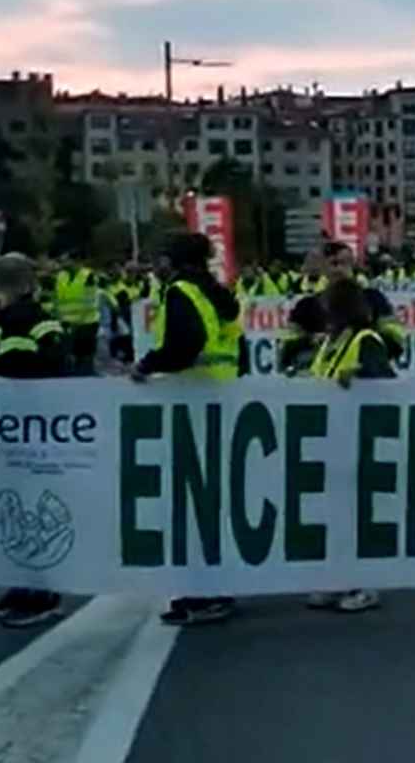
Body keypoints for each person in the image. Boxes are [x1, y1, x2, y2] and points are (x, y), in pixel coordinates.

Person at [134, 233, 243, 626]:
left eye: (160, 257)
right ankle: (208, 587)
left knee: (196, 503)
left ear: (175, 261)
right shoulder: (218, 295)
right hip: (219, 402)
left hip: (194, 403)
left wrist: (146, 366)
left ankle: (208, 591)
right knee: (209, 501)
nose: (155, 266)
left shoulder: (181, 292)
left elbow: (186, 345)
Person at [0, 254, 70, 626]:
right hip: (32, 425)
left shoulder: (18, 323)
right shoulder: (32, 321)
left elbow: (14, 370)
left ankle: (40, 593)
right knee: (18, 507)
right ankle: (23, 586)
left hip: (23, 427)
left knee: (24, 508)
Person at [304, 278, 398, 613]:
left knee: (354, 514)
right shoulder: (332, 342)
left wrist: (357, 375)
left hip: (357, 437)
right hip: (330, 436)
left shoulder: (366, 339)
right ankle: (337, 578)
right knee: (333, 513)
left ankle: (364, 582)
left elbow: (385, 382)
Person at [53, 256, 101, 375]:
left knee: (84, 359)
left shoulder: (88, 276)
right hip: (66, 324)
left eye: (67, 260)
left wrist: (78, 323)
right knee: (67, 359)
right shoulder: (60, 276)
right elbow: (57, 300)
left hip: (87, 324)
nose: (64, 263)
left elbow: (89, 302)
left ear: (77, 261)